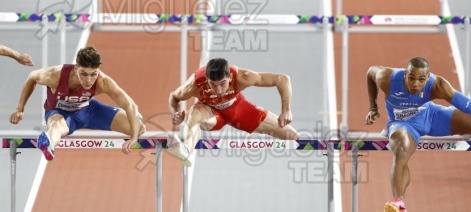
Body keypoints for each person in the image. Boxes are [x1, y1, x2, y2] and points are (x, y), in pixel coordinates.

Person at [365, 57, 471, 212]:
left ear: (428, 77)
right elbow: (370, 73)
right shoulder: (387, 78)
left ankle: (458, 124)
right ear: (405, 74)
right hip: (403, 125)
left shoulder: (437, 85)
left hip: (432, 116)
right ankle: (399, 202)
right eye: (411, 78)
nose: (415, 84)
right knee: (401, 149)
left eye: (421, 79)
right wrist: (372, 107)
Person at [9, 46, 145, 160]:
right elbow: (32, 77)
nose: (89, 80)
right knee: (56, 126)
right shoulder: (54, 76)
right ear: (75, 68)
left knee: (139, 128)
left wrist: (133, 137)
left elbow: (130, 104)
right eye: (83, 74)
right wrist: (20, 108)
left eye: (93, 74)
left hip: (89, 111)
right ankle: (48, 143)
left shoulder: (102, 81)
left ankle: (128, 117)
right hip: (59, 112)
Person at [167, 58, 299, 167]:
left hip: (239, 109)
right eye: (213, 84)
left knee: (293, 136)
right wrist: (176, 115)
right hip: (211, 112)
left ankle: (188, 120)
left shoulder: (242, 76)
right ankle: (186, 150)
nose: (218, 90)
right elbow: (174, 97)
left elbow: (282, 79)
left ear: (230, 77)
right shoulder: (195, 84)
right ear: (207, 80)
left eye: (223, 83)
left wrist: (286, 110)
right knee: (195, 113)